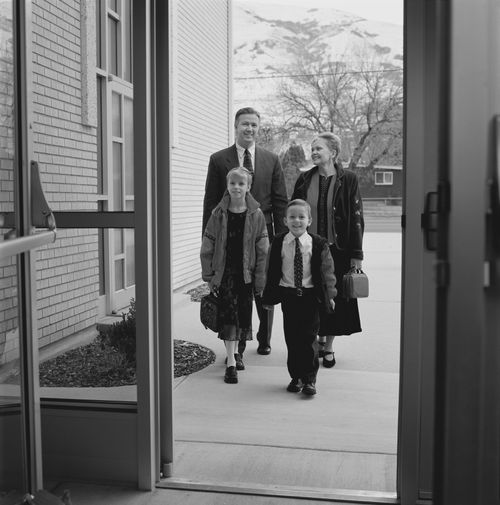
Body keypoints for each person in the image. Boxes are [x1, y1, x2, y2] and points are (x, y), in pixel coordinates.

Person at [203, 107, 288, 362]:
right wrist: (208, 240)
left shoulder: (271, 159)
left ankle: (264, 338)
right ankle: (237, 344)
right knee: (237, 290)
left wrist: (282, 238)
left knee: (263, 287)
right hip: (231, 237)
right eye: (245, 124)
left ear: (258, 128)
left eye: (254, 125)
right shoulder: (219, 159)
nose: (249, 129)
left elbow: (280, 200)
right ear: (236, 126)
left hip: (263, 233)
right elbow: (210, 203)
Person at [292, 132, 364, 368]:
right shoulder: (304, 180)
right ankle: (316, 342)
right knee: (311, 300)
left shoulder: (349, 179)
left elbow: (356, 218)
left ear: (332, 153)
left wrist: (356, 255)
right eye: (312, 149)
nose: (313, 152)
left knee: (335, 299)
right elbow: (294, 212)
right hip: (309, 250)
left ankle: (329, 346)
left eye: (318, 149)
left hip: (338, 251)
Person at [200, 167, 269, 384]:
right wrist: (209, 275)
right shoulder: (218, 214)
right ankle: (231, 362)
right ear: (227, 186)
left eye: (241, 184)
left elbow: (263, 250)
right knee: (229, 317)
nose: (236, 187)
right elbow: (207, 245)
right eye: (233, 183)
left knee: (243, 315)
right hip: (225, 274)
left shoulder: (256, 215)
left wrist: (260, 279)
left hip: (245, 275)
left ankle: (238, 352)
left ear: (248, 187)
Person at [262, 199, 336, 396]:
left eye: (301, 217)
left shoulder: (318, 244)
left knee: (309, 338)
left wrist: (331, 295)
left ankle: (309, 379)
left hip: (310, 297)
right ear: (285, 220)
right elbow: (270, 270)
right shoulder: (279, 242)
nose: (297, 221)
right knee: (292, 338)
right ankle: (296, 377)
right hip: (289, 296)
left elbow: (328, 272)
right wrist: (268, 297)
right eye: (292, 217)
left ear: (309, 220)